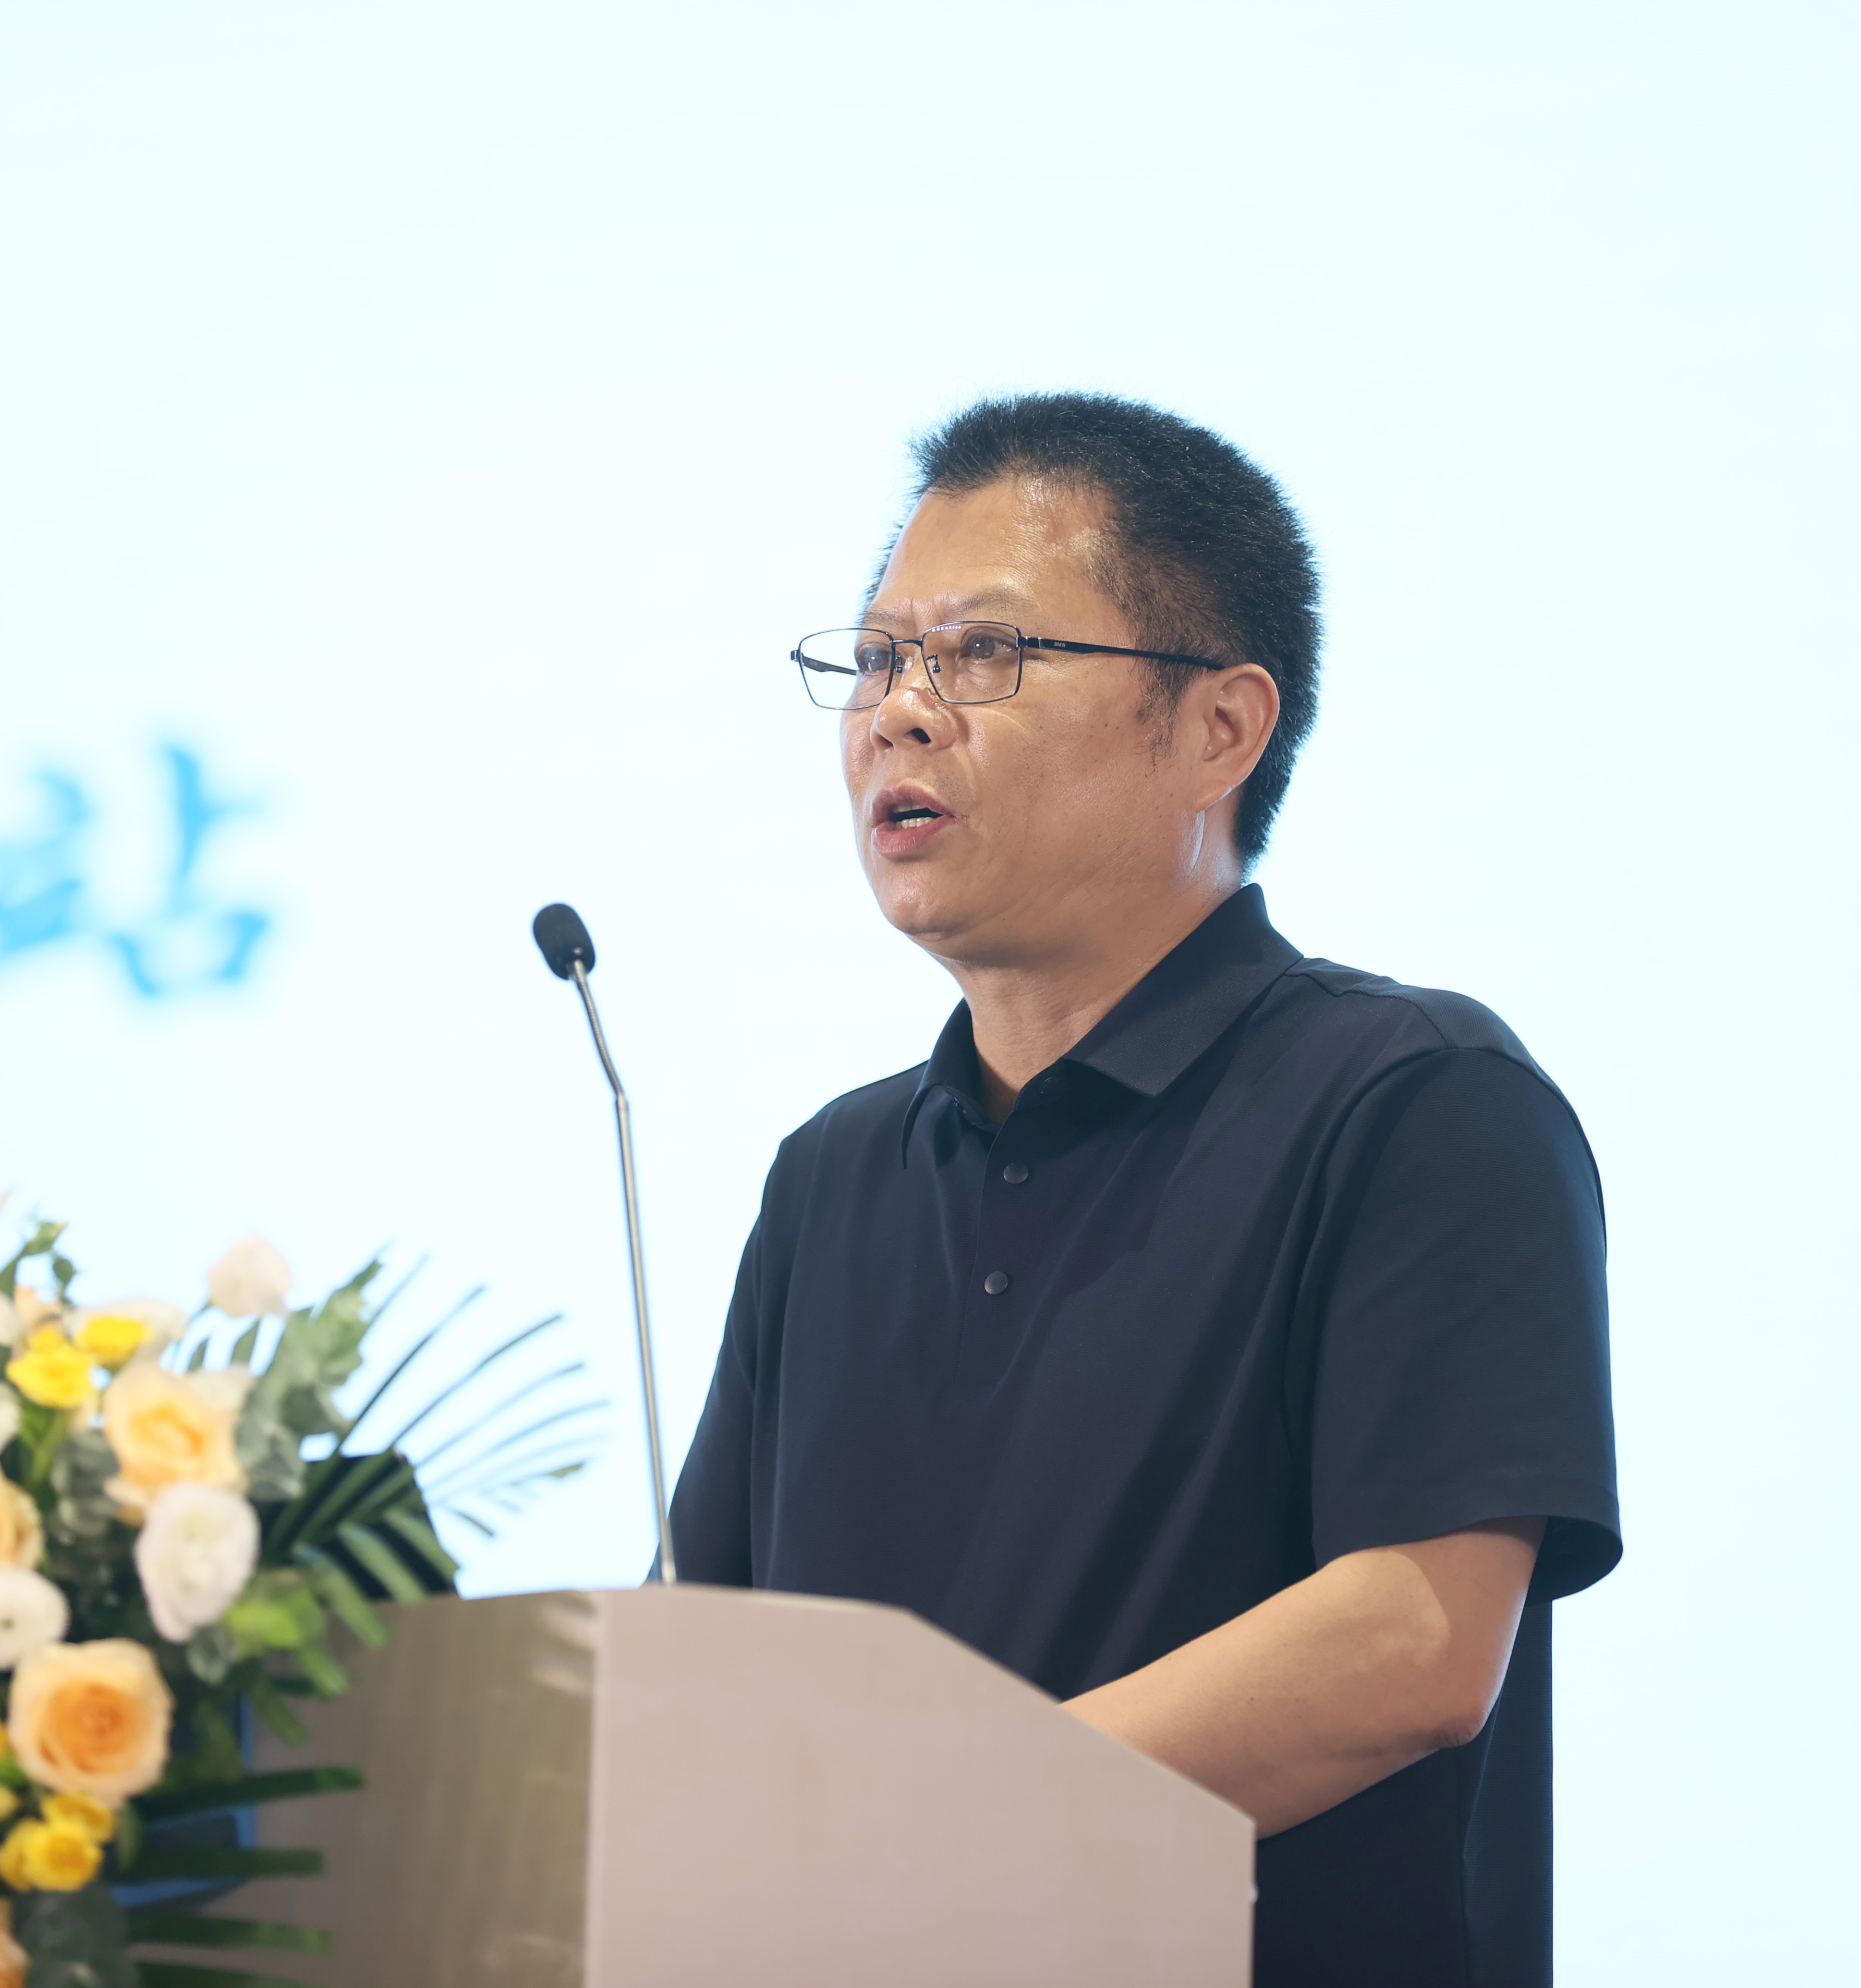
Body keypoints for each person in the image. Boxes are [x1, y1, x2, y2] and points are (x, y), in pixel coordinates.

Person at [666, 392, 1620, 1988]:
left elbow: (1414, 1642)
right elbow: (706, 1662)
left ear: (1218, 732)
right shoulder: (832, 1179)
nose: (899, 714)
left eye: (983, 654)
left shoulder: (1414, 1104)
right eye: (879, 659)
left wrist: (909, 1842)